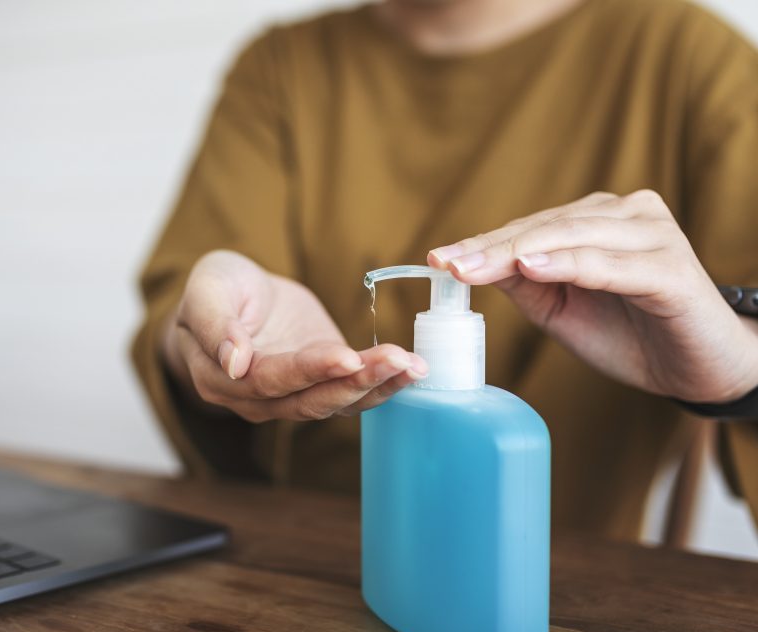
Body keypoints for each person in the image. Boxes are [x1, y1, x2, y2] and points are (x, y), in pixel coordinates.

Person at [132, 0, 758, 539]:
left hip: (576, 594)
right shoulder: (280, 70)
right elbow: (179, 320)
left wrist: (739, 372)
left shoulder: (696, 66)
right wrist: (210, 341)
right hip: (301, 567)